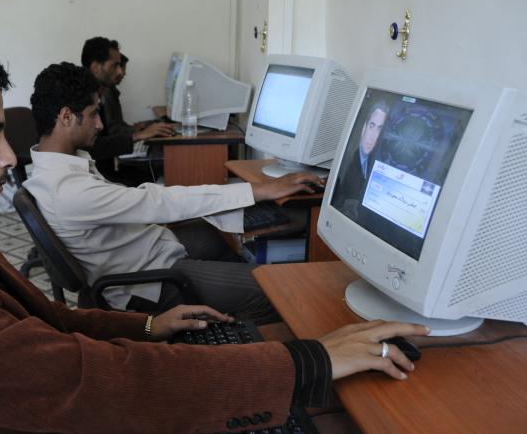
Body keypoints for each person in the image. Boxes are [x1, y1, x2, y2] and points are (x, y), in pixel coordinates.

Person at [0, 24, 428, 433]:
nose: (10, 157)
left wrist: (146, 324)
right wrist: (309, 363)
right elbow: (100, 386)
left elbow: (47, 325)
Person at [28, 62, 320, 323]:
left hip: (148, 249)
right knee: (274, 290)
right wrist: (257, 189)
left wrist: (252, 194)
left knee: (218, 233)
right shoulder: (67, 190)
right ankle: (221, 341)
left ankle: (226, 282)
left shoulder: (51, 172)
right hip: (149, 280)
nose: (100, 124)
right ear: (66, 117)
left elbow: (151, 203)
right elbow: (159, 202)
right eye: (93, 115)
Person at [81, 37, 173, 184]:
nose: (120, 71)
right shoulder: (81, 100)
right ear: (96, 68)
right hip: (98, 177)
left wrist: (137, 133)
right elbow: (94, 148)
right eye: (115, 65)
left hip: (104, 171)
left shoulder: (97, 94)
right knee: (156, 173)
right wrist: (137, 135)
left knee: (157, 170)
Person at [333, 101, 389, 217]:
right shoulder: (349, 160)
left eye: (379, 129)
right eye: (371, 126)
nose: (373, 136)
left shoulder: (376, 165)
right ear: (364, 128)